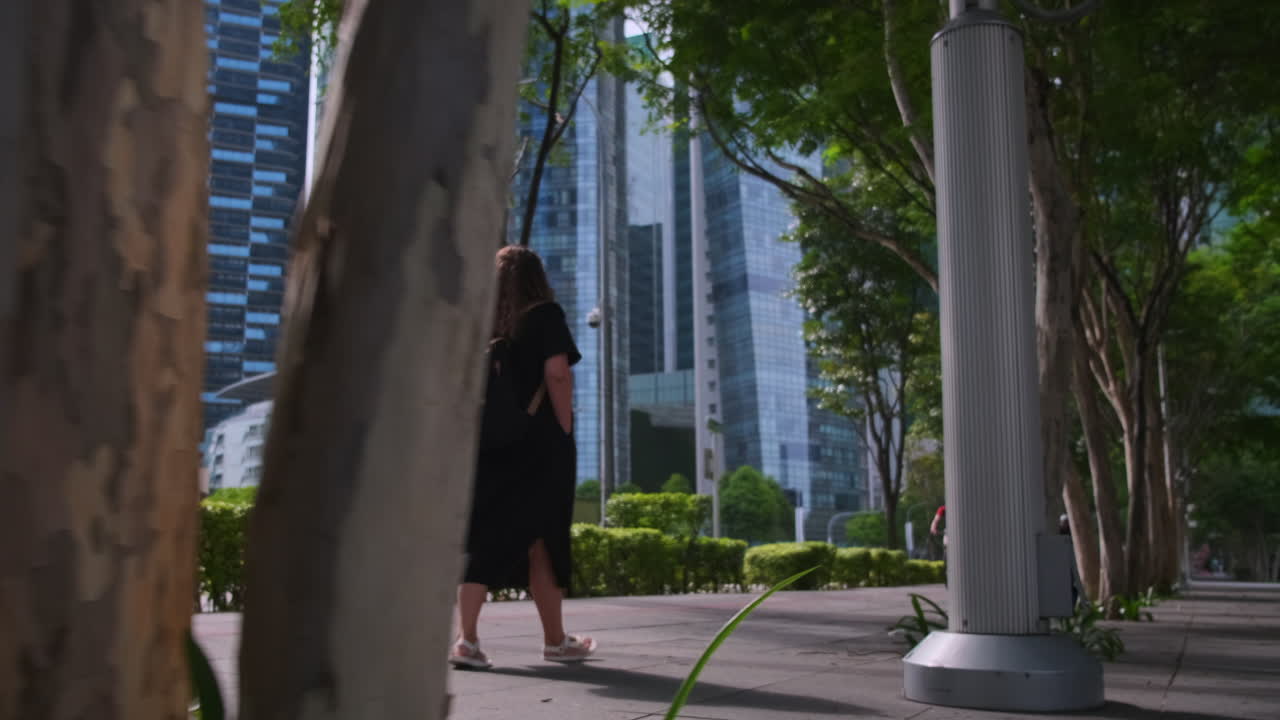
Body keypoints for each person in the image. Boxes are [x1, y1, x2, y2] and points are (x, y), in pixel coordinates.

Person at [449, 246, 597, 670]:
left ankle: (467, 640)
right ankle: (555, 642)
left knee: (487, 538)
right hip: (540, 445)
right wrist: (564, 427)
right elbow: (557, 373)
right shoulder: (545, 315)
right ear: (537, 278)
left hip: (492, 446)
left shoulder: (489, 330)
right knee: (545, 540)